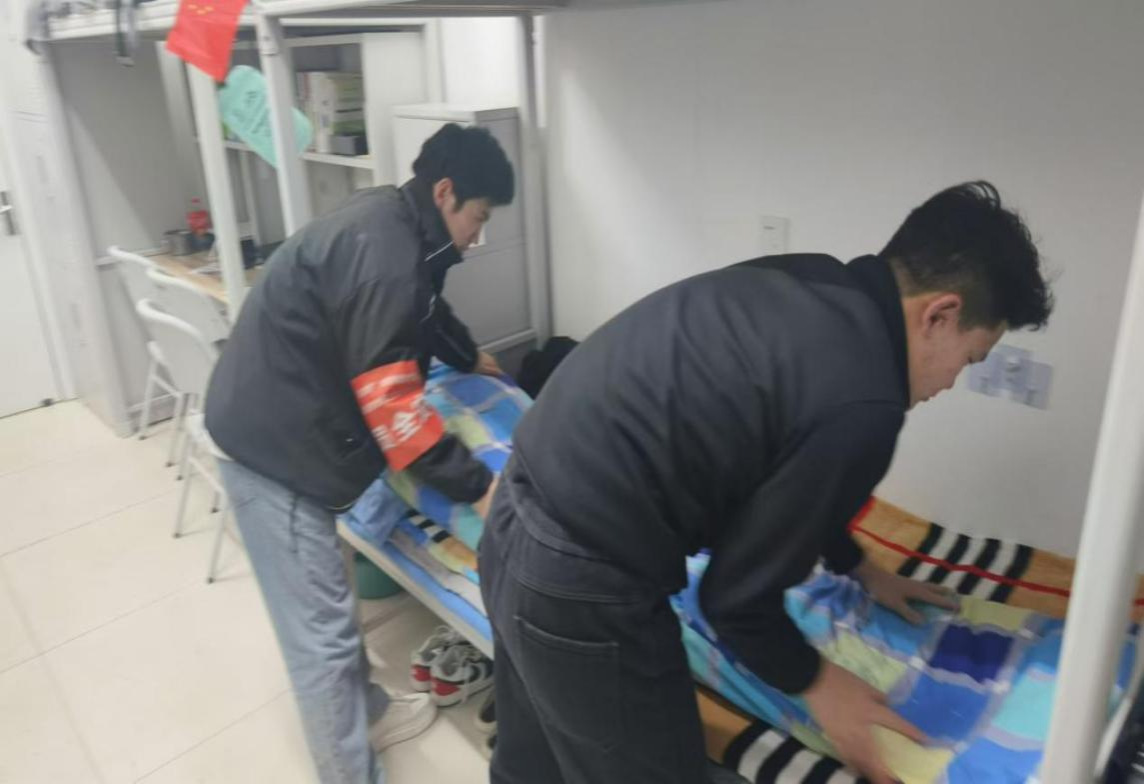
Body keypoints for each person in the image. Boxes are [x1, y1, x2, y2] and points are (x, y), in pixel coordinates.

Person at [478, 181, 1053, 784]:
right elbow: (734, 601)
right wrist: (821, 684)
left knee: (528, 768)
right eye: (970, 359)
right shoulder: (866, 402)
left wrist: (861, 568)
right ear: (940, 314)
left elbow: (789, 470)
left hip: (515, 504)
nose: (952, 383)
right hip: (578, 581)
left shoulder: (809, 278)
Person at [205, 123, 513, 784]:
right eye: (480, 218)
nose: (477, 236)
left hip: (279, 413)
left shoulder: (394, 218)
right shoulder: (385, 255)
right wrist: (479, 487)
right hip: (273, 449)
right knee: (321, 637)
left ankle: (367, 708)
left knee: (331, 607)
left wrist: (467, 355)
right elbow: (397, 411)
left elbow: (422, 309)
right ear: (446, 192)